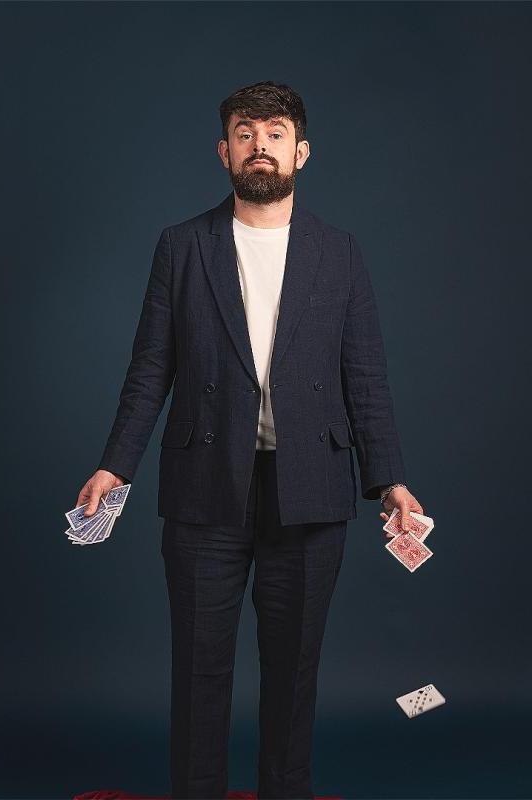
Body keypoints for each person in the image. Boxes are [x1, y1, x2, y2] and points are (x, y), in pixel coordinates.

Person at [76, 80, 425, 799]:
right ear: (223, 151)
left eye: (274, 133)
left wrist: (389, 478)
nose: (259, 145)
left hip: (312, 488)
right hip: (205, 483)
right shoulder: (181, 246)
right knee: (198, 669)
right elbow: (151, 368)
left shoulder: (340, 252)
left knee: (294, 671)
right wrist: (116, 465)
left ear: (301, 152)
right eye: (245, 133)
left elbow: (365, 376)